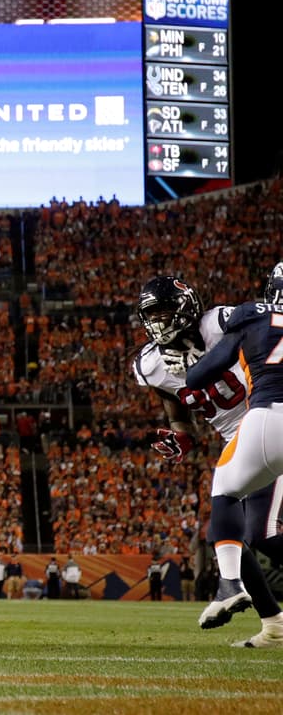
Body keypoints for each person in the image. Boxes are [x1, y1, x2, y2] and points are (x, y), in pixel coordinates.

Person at [135, 274, 283, 643]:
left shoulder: (220, 322)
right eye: (152, 314)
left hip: (263, 419)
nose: (159, 320)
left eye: (166, 310)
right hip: (241, 439)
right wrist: (180, 436)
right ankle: (274, 624)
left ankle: (243, 599)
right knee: (232, 534)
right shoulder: (150, 364)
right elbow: (176, 411)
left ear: (186, 305)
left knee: (251, 532)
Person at [181, 261, 283, 647]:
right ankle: (272, 623)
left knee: (225, 488)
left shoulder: (254, 318)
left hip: (271, 416)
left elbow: (197, 376)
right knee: (260, 531)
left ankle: (228, 585)